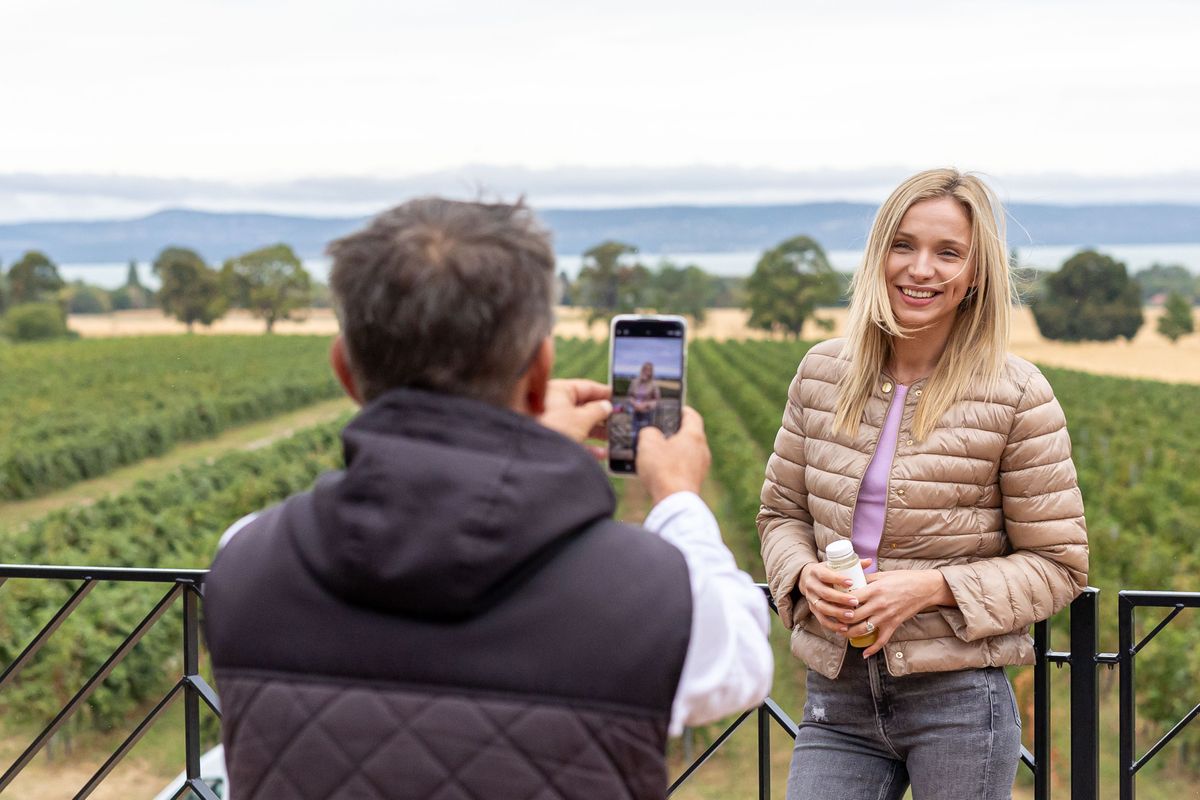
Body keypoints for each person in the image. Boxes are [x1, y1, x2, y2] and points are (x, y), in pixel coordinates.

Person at [203, 198, 773, 800]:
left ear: (345, 371)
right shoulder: (658, 590)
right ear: (538, 371)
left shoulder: (243, 560)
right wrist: (678, 496)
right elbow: (743, 665)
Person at [758, 169, 1088, 800]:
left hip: (959, 701)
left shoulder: (1017, 394)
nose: (921, 269)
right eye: (903, 245)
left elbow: (1058, 566)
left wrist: (929, 589)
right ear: (877, 255)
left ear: (976, 275)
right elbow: (780, 516)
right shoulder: (821, 372)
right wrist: (802, 576)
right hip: (838, 692)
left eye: (948, 253)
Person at [628, 360, 661, 459]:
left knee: (645, 437)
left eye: (649, 370)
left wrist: (645, 405)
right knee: (634, 436)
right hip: (635, 412)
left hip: (647, 413)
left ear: (651, 372)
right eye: (645, 369)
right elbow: (630, 396)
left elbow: (656, 400)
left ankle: (645, 458)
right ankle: (635, 457)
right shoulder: (634, 382)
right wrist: (634, 403)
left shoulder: (654, 385)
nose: (646, 372)